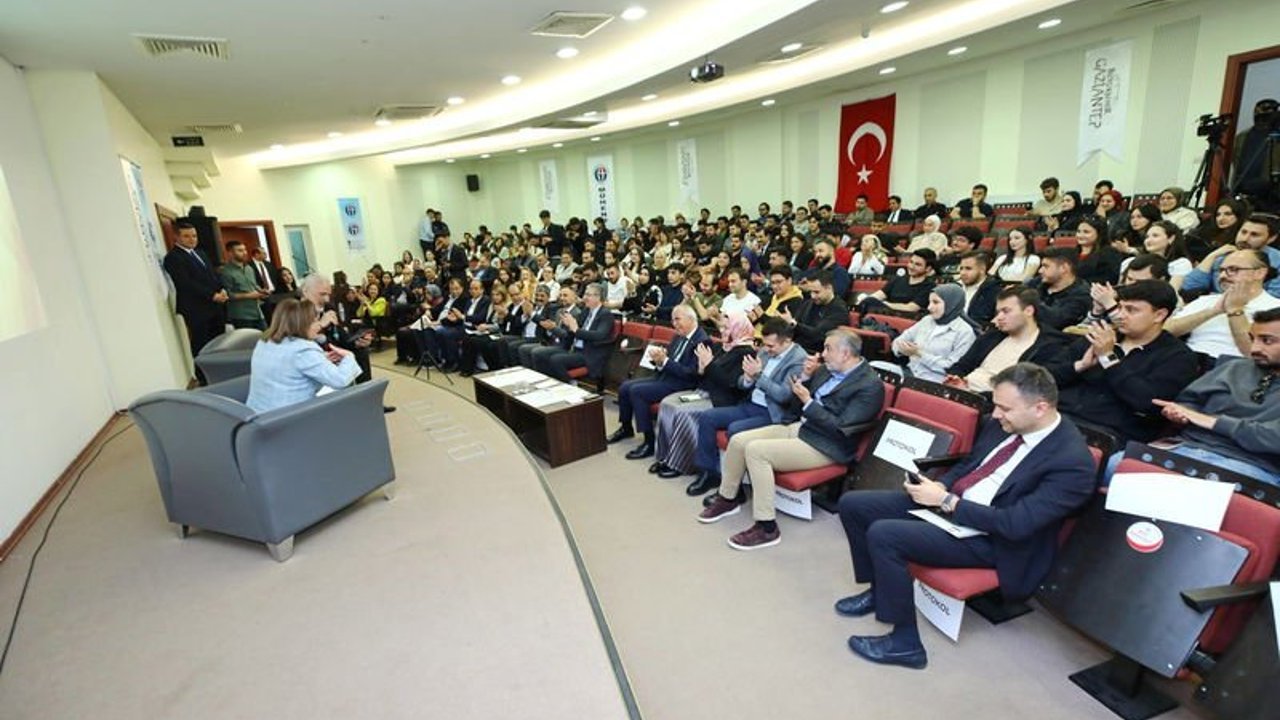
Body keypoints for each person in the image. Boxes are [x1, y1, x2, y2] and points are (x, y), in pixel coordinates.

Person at [835, 363, 1096, 669]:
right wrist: (942, 485)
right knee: (854, 505)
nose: (995, 414)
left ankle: (905, 644)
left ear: (1040, 408)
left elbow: (1016, 524)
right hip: (956, 508)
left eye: (1005, 408)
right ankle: (881, 591)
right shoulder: (1004, 424)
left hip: (998, 541)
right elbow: (969, 465)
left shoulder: (1072, 463)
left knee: (885, 535)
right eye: (996, 405)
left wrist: (948, 502)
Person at [699, 329, 884, 550]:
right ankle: (728, 498)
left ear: (845, 353)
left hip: (827, 444)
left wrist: (808, 402)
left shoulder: (870, 386)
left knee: (757, 452)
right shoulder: (826, 370)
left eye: (828, 349)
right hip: (802, 427)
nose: (822, 354)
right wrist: (805, 379)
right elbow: (794, 406)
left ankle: (767, 527)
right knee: (738, 440)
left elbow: (841, 428)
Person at [1045, 281, 1198, 445]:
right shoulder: (1101, 336)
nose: (1120, 315)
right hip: (1055, 416)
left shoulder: (1178, 356)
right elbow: (1043, 377)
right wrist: (1079, 366)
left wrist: (1108, 358)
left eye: (1131, 310)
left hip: (1107, 433)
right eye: (1120, 307)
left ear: (1159, 315)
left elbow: (1147, 403)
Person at [1151, 307, 1280, 486]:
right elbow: (1189, 402)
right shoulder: (1235, 367)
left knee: (1190, 491)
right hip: (1189, 446)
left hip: (1251, 464)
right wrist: (1181, 413)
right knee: (1116, 463)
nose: (1254, 348)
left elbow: (1273, 438)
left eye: (1267, 341)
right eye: (1253, 339)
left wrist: (1214, 422)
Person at [688, 318, 808, 496]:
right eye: (765, 344)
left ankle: (734, 488)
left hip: (771, 413)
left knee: (735, 429)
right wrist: (747, 379)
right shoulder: (765, 352)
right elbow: (742, 384)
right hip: (750, 404)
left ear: (787, 341)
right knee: (707, 417)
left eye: (771, 346)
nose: (766, 349)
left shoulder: (798, 360)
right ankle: (709, 473)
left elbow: (783, 396)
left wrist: (758, 376)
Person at [650, 311, 756, 479]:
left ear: (738, 329)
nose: (722, 331)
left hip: (721, 399)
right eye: (722, 327)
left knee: (683, 413)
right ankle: (665, 456)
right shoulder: (722, 346)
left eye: (727, 328)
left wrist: (710, 364)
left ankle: (680, 463)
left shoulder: (746, 352)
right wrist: (701, 368)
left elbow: (732, 384)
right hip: (703, 392)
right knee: (667, 403)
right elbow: (704, 375)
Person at [607, 304, 711, 459]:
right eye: (673, 320)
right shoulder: (679, 335)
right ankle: (626, 427)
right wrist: (659, 361)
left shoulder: (702, 341)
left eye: (677, 319)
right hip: (666, 377)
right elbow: (668, 361)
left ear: (691, 319)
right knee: (625, 387)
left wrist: (665, 362)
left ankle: (649, 442)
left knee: (637, 392)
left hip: (682, 384)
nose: (674, 324)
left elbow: (692, 375)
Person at [943, 287, 1069, 394]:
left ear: (1028, 311)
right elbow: (962, 366)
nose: (999, 317)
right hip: (961, 392)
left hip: (993, 403)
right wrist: (954, 378)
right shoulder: (991, 337)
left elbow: (1023, 392)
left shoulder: (1047, 347)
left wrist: (970, 393)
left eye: (1006, 311)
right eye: (998, 312)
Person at [245, 299, 361, 413]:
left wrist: (321, 359)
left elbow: (286, 366)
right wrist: (349, 356)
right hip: (288, 417)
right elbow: (340, 380)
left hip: (258, 414)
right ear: (301, 324)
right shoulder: (303, 350)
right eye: (315, 321)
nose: (319, 326)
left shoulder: (265, 342)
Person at [1166, 249, 1280, 362]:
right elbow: (1165, 332)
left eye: (1233, 269)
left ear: (1259, 273)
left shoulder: (1274, 307)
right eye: (1221, 270)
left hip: (1234, 365)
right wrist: (1214, 311)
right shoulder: (1206, 300)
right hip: (1188, 358)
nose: (1223, 275)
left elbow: (1252, 351)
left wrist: (1235, 310)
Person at [163, 221, 228, 358]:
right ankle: (203, 372)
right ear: (176, 237)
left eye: (194, 236)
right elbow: (186, 284)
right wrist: (212, 295)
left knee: (220, 343)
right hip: (197, 310)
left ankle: (220, 368)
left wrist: (222, 289)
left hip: (215, 306)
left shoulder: (200, 253)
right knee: (202, 346)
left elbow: (213, 275)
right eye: (186, 236)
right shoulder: (173, 258)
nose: (192, 239)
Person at [891, 284, 978, 381]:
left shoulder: (965, 332)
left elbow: (953, 368)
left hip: (933, 381)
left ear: (951, 304)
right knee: (878, 367)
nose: (929, 307)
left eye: (935, 302)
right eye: (929, 302)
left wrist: (919, 353)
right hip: (909, 372)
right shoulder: (927, 320)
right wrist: (902, 349)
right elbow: (897, 342)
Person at [1180, 213, 1280, 298]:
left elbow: (1273, 298)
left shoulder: (1277, 261)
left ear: (1271, 238)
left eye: (1254, 235)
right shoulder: (1223, 255)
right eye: (1243, 232)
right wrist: (1211, 256)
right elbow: (1188, 288)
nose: (1245, 239)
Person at [543, 283, 617, 382]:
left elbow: (599, 335)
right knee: (543, 356)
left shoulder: (606, 315)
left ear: (598, 297)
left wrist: (576, 330)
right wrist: (569, 326)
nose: (584, 298)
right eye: (585, 294)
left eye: (588, 295)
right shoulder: (586, 311)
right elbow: (574, 331)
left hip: (590, 352)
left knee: (556, 360)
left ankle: (570, 384)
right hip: (575, 349)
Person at [1231, 98, 1280, 210]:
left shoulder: (1277, 137)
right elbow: (1236, 162)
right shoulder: (1241, 137)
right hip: (1242, 194)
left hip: (1271, 197)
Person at [783, 270, 849, 353]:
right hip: (797, 347)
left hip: (815, 352)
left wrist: (793, 324)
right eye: (810, 292)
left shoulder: (838, 310)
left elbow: (818, 335)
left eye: (816, 292)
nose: (813, 296)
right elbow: (796, 324)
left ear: (829, 288)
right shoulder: (809, 303)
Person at [1028, 247, 1091, 330]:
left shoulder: (1081, 294)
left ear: (1064, 268)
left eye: (1046, 266)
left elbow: (1056, 321)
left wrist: (1029, 300)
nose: (1040, 271)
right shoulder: (1037, 283)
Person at [857, 250, 936, 315]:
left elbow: (911, 308)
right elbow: (879, 295)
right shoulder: (897, 280)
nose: (911, 266)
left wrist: (884, 304)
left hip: (906, 318)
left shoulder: (929, 287)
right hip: (884, 314)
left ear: (928, 268)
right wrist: (866, 300)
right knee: (867, 301)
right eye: (911, 262)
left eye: (918, 265)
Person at [1074, 217, 1123, 286]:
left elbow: (1109, 279)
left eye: (1086, 232)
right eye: (1078, 231)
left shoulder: (1109, 253)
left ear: (1099, 233)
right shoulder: (1070, 252)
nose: (1080, 235)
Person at [956, 251, 1000, 325]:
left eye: (968, 268)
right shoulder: (954, 287)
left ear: (982, 269)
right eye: (961, 268)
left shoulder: (994, 292)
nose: (963, 273)